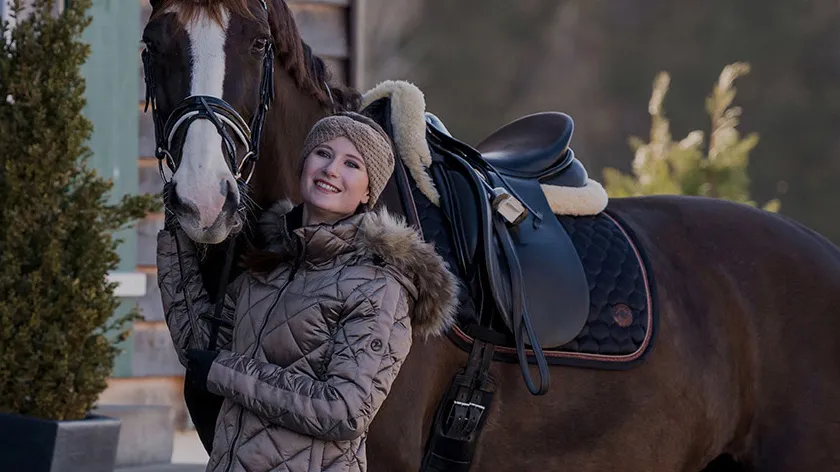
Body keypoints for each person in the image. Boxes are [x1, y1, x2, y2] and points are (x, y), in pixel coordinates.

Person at [156, 112, 459, 472]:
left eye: (352, 163)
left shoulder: (379, 287)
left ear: (367, 192)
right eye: (323, 153)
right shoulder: (268, 267)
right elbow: (202, 348)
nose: (331, 169)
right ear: (303, 166)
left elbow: (343, 411)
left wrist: (226, 373)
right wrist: (178, 228)